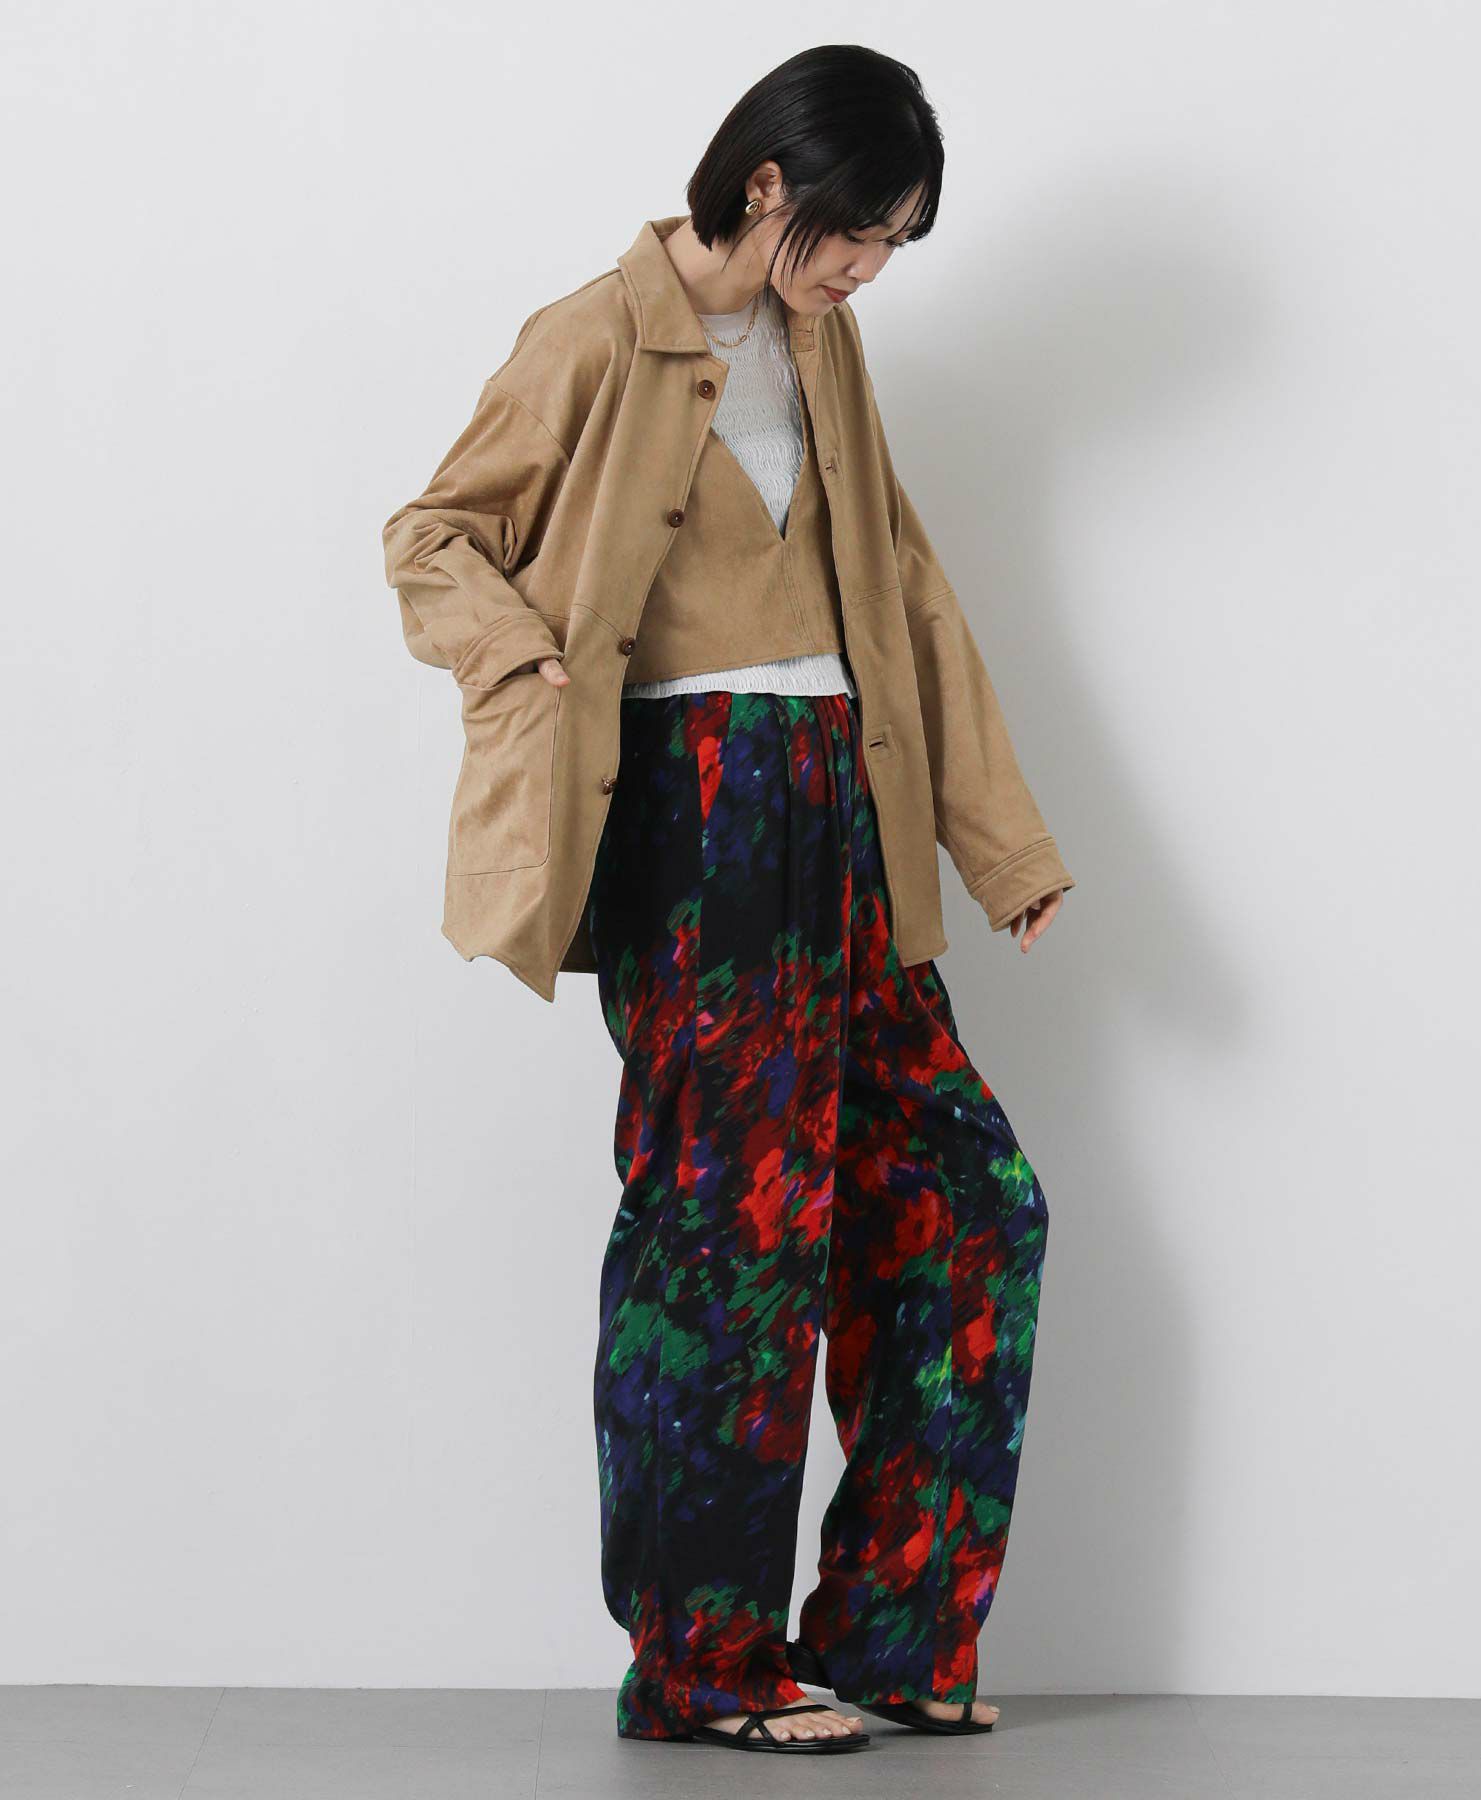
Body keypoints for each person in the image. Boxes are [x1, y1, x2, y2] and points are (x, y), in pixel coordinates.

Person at [382, 44, 1074, 1756]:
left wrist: (1001, 850)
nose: (871, 270)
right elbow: (433, 534)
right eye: (859, 231)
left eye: (897, 241)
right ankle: (701, 1665)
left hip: (847, 798)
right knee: (729, 1239)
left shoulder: (825, 349)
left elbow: (902, 587)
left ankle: (893, 1632)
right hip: (697, 816)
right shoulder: (592, 336)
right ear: (767, 184)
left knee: (975, 1207)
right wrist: (521, 656)